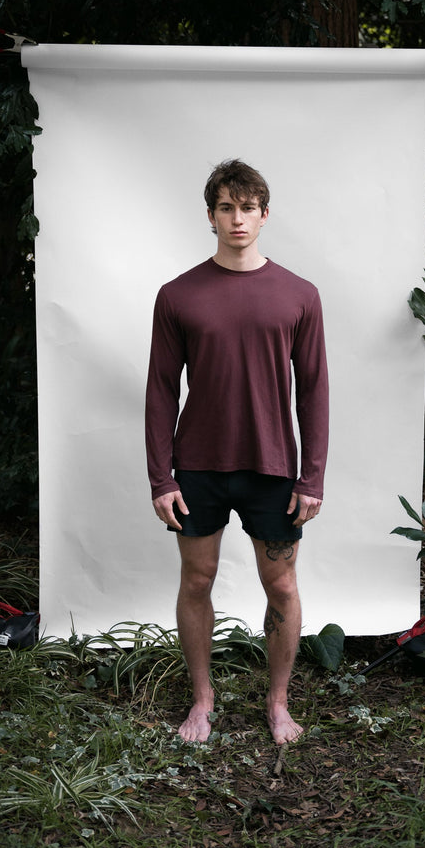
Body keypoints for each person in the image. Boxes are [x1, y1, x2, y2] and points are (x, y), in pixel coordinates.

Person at [145, 159, 329, 745]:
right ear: (211, 216)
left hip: (273, 467)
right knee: (196, 580)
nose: (237, 219)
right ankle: (202, 700)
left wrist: (312, 477)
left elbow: (314, 389)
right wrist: (161, 477)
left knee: (282, 586)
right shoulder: (178, 295)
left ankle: (278, 703)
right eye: (226, 207)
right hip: (197, 466)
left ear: (265, 214)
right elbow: (161, 390)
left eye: (248, 207)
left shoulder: (299, 295)